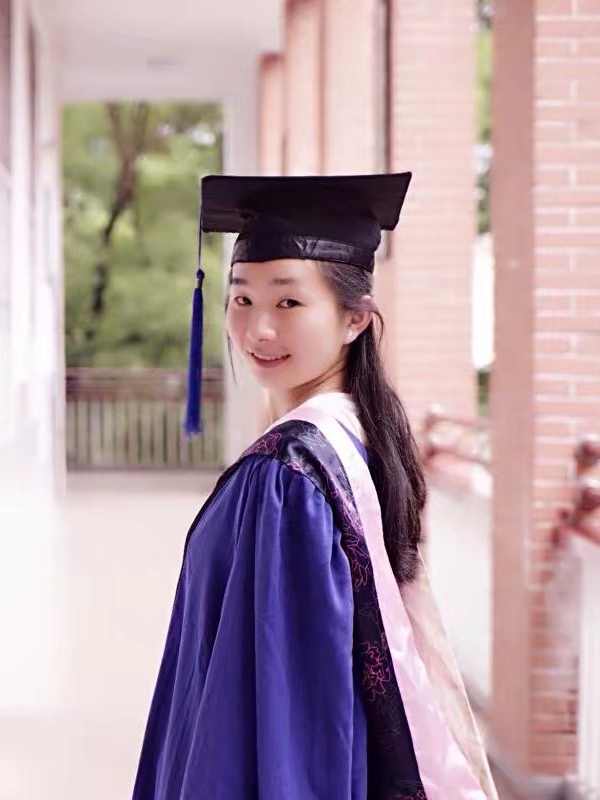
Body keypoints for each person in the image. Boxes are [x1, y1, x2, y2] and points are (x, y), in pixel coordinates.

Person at [131, 174, 497, 800]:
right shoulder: (360, 434)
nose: (257, 329)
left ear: (355, 319)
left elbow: (290, 709)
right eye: (242, 299)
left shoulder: (285, 476)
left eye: (289, 303)